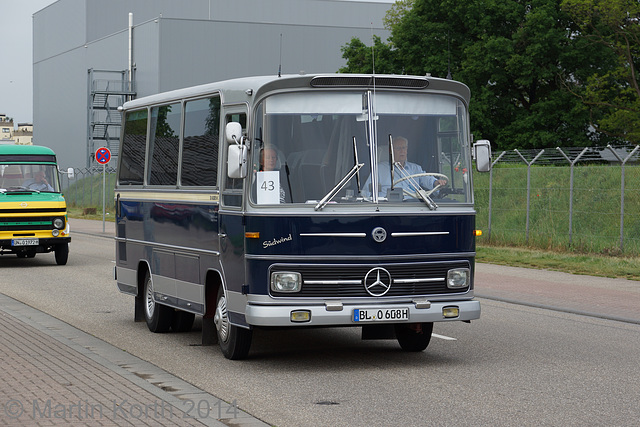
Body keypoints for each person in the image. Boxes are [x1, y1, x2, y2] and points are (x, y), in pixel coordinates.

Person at [364, 136, 447, 199]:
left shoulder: (415, 169)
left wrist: (436, 183)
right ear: (391, 151)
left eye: (404, 148)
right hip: (387, 209)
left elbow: (427, 179)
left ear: (407, 150)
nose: (402, 151)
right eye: (398, 148)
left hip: (412, 209)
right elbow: (366, 192)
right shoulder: (379, 169)